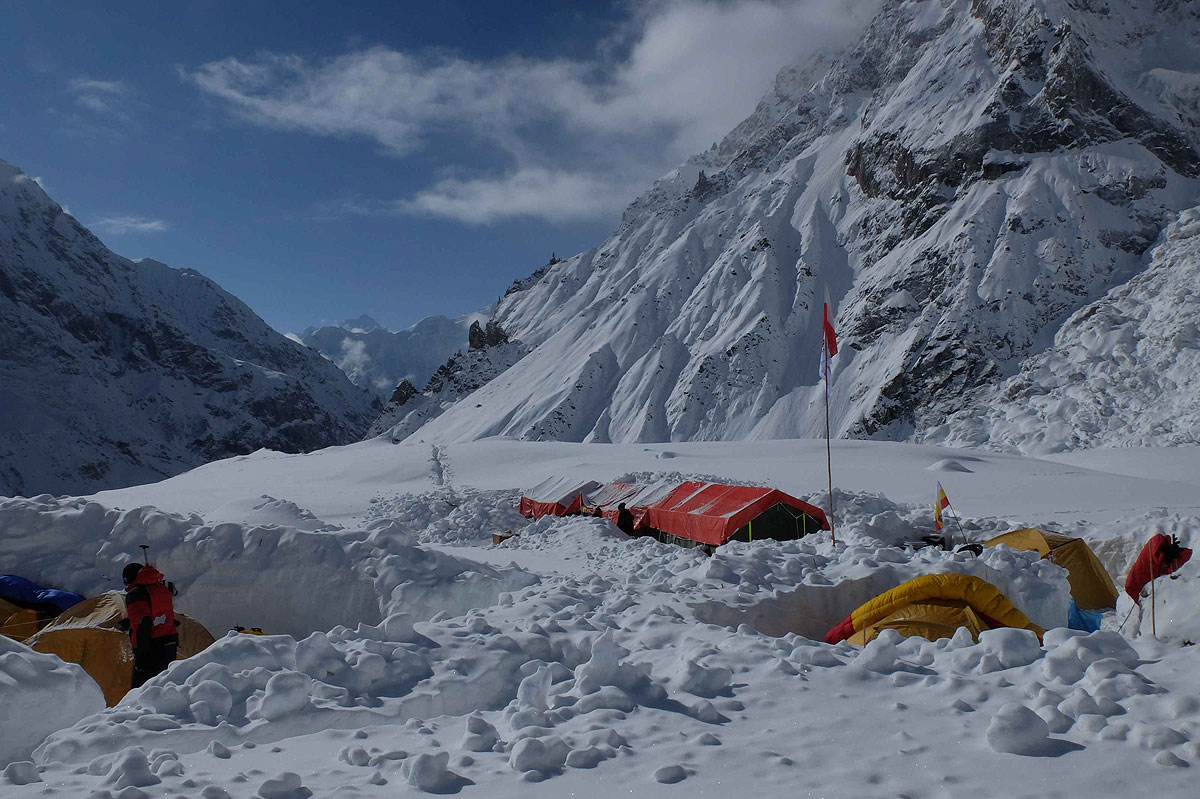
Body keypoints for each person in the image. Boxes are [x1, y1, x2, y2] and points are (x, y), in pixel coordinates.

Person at [122, 562, 179, 689]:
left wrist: (139, 653)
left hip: (151, 648)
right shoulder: (161, 589)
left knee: (140, 693)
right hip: (170, 644)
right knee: (163, 687)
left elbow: (143, 623)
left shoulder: (135, 594)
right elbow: (156, 614)